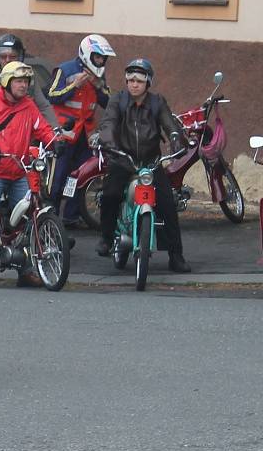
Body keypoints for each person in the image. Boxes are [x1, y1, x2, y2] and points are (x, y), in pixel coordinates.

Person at [0, 61, 64, 288]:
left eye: (26, 81)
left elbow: (43, 128)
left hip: (19, 169)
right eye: (18, 81)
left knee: (27, 218)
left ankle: (25, 269)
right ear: (6, 83)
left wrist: (54, 142)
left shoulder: (28, 106)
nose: (24, 86)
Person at [97, 58, 191, 273]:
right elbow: (108, 123)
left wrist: (176, 139)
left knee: (168, 204)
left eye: (139, 80)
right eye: (130, 79)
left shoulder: (157, 102)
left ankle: (176, 256)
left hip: (151, 162)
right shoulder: (118, 101)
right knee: (110, 195)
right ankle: (106, 237)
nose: (134, 84)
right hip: (123, 159)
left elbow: (170, 124)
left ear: (148, 82)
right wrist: (109, 142)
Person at [47, 34, 115, 226]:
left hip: (86, 136)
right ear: (88, 54)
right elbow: (51, 96)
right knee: (57, 178)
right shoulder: (65, 69)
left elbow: (108, 102)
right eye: (98, 57)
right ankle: (49, 216)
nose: (101, 61)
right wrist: (74, 85)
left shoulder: (99, 75)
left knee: (80, 176)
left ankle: (71, 216)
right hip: (64, 134)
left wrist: (99, 86)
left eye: (103, 58)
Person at [0, 33, 56, 124]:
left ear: (20, 57)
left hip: (26, 133)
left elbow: (43, 106)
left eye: (12, 56)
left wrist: (55, 129)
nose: (7, 60)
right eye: (3, 57)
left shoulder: (29, 77)